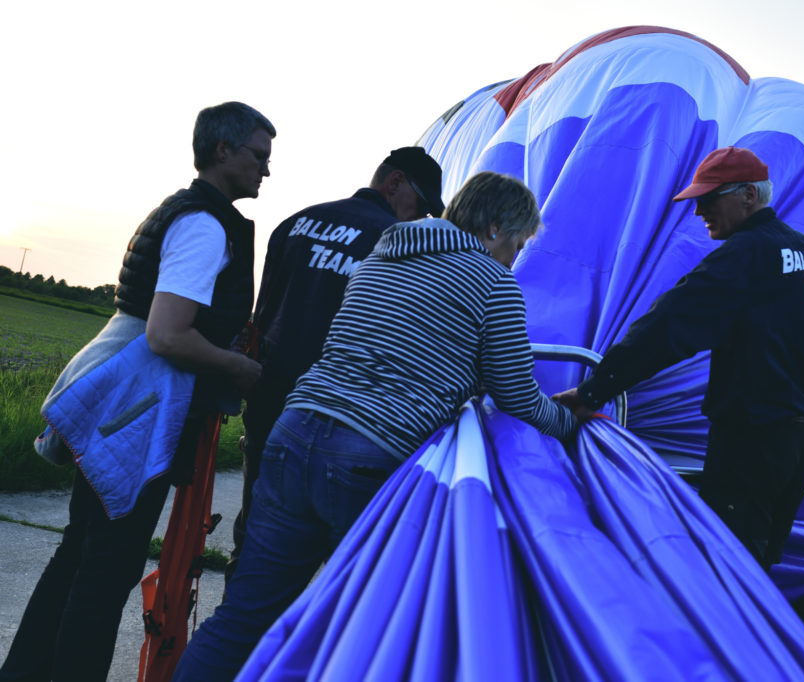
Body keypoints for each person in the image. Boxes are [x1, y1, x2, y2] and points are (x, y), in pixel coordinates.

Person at [172, 171, 577, 681]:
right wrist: (568, 419)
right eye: (516, 245)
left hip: (294, 431)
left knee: (244, 615)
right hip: (370, 455)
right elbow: (517, 393)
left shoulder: (384, 252)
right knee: (368, 628)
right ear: (495, 227)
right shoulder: (492, 280)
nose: (513, 259)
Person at [0, 101, 274, 682]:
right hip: (138, 407)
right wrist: (235, 366)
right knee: (106, 569)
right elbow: (168, 334)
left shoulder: (182, 210)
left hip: (113, 395)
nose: (265, 171)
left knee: (79, 553)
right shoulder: (205, 225)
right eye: (259, 156)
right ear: (222, 150)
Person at [554, 146, 804, 569]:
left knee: (728, 570)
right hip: (799, 442)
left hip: (751, 443)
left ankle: (726, 635)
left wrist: (595, 391)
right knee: (762, 564)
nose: (700, 210)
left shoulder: (745, 256)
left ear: (749, 197)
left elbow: (669, 326)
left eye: (709, 197)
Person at [224, 146, 444, 583]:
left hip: (271, 404)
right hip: (344, 415)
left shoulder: (297, 221)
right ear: (395, 182)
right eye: (419, 205)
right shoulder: (397, 244)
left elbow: (263, 316)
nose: (417, 219)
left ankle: (239, 628)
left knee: (257, 539)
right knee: (341, 558)